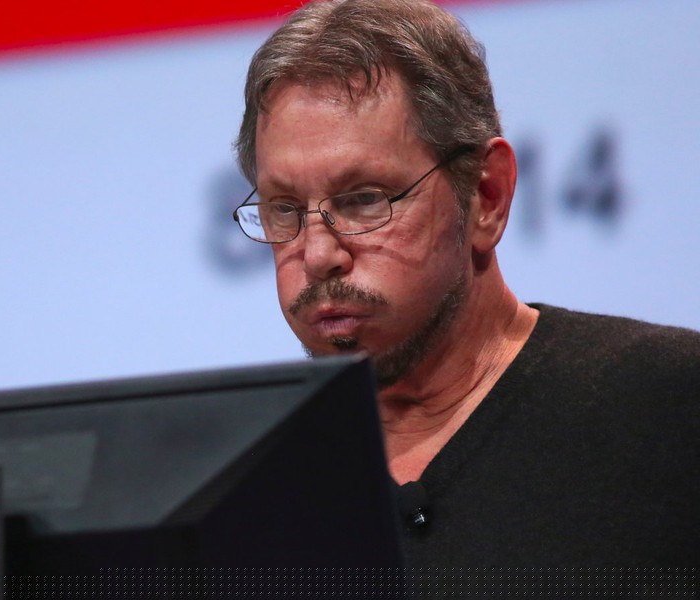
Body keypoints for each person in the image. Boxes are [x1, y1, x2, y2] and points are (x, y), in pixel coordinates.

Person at [231, 0, 698, 592]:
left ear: (486, 196)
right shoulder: (239, 486)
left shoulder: (671, 409)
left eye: (365, 199)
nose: (318, 254)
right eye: (285, 209)